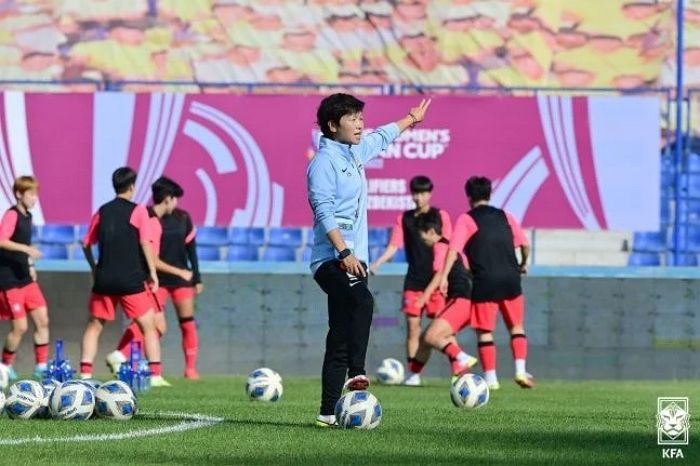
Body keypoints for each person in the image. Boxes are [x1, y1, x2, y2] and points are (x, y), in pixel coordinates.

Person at [307, 92, 431, 427]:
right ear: (333, 125)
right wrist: (344, 252)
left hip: (354, 260)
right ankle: (358, 374)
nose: (361, 123)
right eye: (352, 118)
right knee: (362, 302)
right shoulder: (323, 163)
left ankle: (326, 412)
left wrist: (410, 120)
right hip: (332, 260)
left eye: (361, 117)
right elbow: (324, 212)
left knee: (339, 333)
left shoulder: (354, 152)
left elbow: (382, 136)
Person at [439, 176, 533, 390]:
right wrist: (524, 263)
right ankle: (520, 371)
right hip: (511, 279)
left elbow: (453, 250)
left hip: (484, 281)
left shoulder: (466, 219)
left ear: (469, 196)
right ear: (490, 194)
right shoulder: (506, 216)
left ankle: (491, 379)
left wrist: (444, 276)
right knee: (516, 327)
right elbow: (525, 244)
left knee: (485, 331)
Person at [79, 167, 168, 386]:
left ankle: (85, 373)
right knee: (149, 325)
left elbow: (86, 243)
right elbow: (145, 243)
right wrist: (153, 273)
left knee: (94, 326)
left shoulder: (103, 210)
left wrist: (94, 268)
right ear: (132, 186)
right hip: (130, 279)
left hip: (105, 279)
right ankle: (155, 374)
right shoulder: (138, 211)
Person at [106, 177, 202, 380]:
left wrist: (196, 276)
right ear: (168, 198)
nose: (177, 203)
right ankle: (125, 358)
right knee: (149, 323)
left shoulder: (183, 218)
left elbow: (191, 248)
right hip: (156, 278)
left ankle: (189, 369)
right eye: (175, 198)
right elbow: (150, 254)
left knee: (182, 322)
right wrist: (175, 272)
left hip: (177, 280)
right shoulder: (149, 218)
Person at [369, 175, 452, 386]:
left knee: (441, 328)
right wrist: (378, 263)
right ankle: (413, 374)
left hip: (436, 280)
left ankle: (457, 368)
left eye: (422, 193)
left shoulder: (440, 215)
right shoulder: (404, 219)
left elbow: (449, 246)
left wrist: (446, 276)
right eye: (415, 193)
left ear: (430, 194)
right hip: (414, 281)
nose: (418, 197)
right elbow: (394, 246)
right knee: (413, 328)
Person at [403, 209, 477, 382]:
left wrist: (424, 297)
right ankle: (414, 376)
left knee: (430, 337)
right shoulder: (452, 247)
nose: (422, 240)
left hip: (460, 301)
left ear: (430, 231)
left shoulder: (439, 247)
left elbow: (439, 273)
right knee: (429, 338)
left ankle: (461, 357)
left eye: (422, 236)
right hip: (464, 300)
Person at [0, 176, 49, 380]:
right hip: (9, 279)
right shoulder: (11, 215)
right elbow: (2, 240)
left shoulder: (28, 216)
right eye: (31, 194)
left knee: (43, 320)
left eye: (36, 194)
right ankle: (5, 366)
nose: (34, 198)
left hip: (26, 278)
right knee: (20, 327)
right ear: (19, 194)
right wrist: (27, 249)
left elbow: (23, 247)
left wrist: (30, 264)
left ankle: (42, 367)